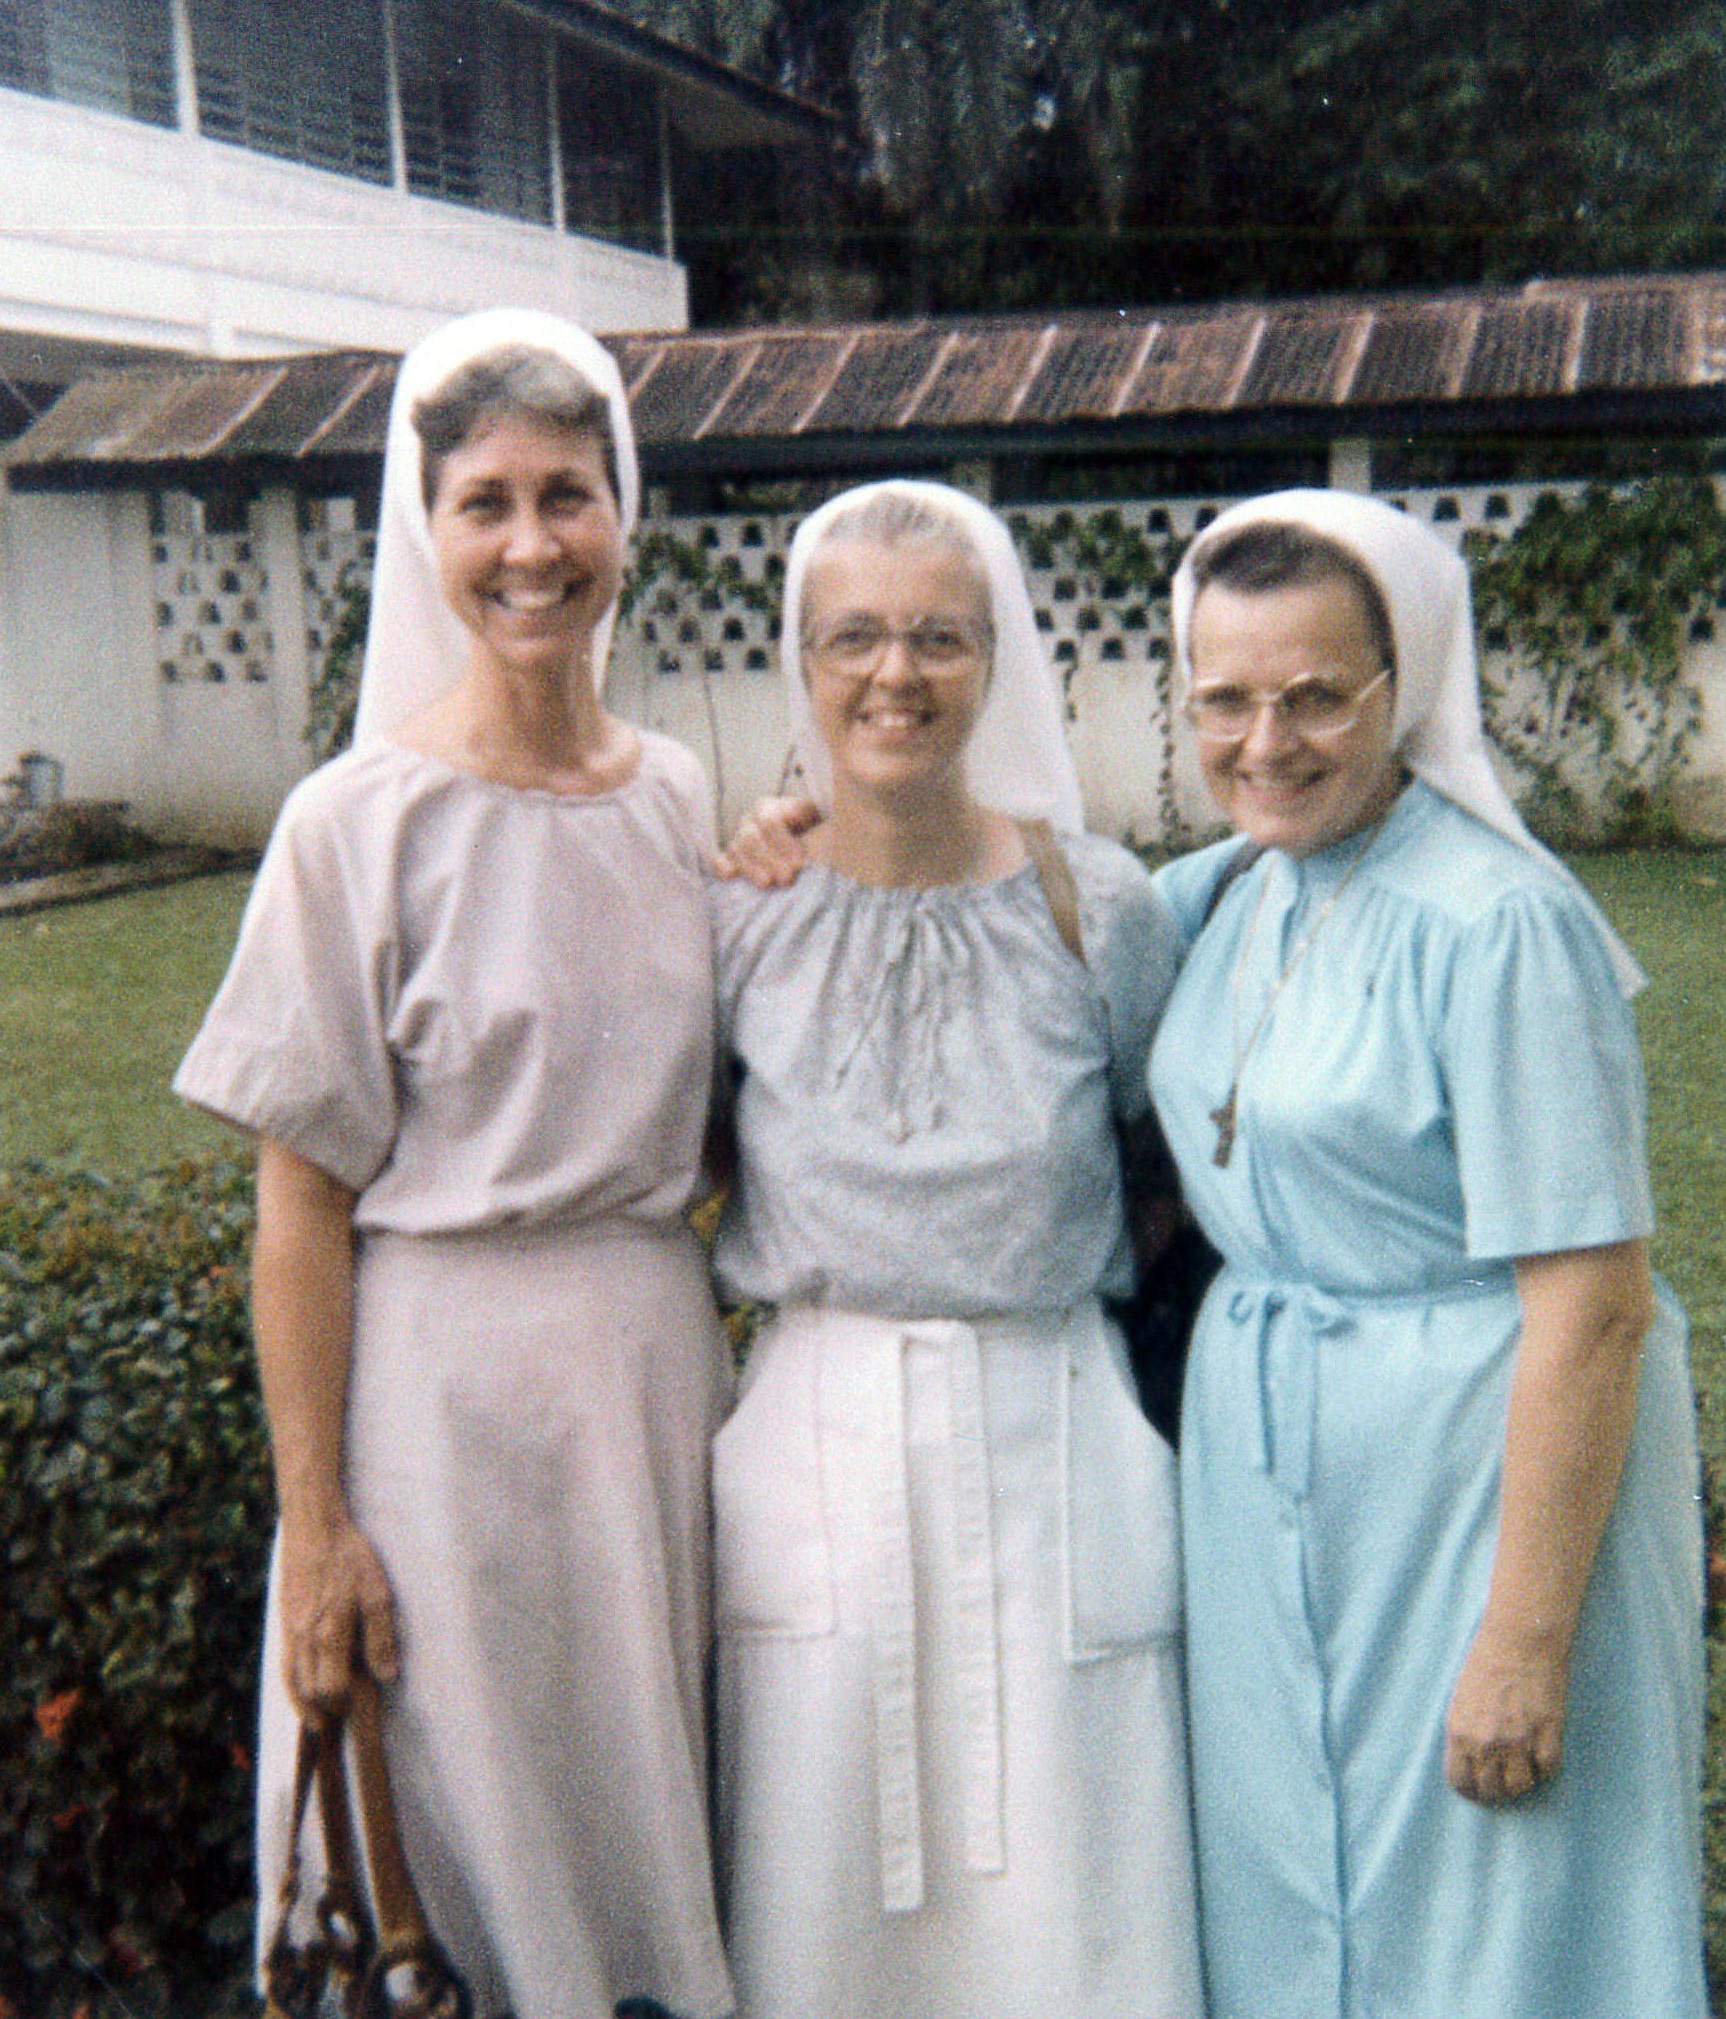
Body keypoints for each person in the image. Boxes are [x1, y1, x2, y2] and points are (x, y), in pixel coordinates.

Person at [174, 308, 734, 2019]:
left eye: (567, 497)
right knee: (461, 1859)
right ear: (429, 535)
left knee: (642, 1826)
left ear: (620, 522)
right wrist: (317, 1522)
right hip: (439, 1416)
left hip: (650, 1398)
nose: (530, 546)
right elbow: (298, 1200)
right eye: (485, 502)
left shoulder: (676, 796)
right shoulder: (352, 822)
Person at [1149, 488, 1705, 2018]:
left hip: (1480, 1488)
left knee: (1496, 1904)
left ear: (1407, 692)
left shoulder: (1499, 925)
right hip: (1269, 1499)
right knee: (1298, 1887)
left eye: (1318, 695)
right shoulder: (1223, 896)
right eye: (1225, 699)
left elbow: (1591, 1312)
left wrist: (1521, 1640)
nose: (1266, 741)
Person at [710, 480, 1204, 2019]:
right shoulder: (737, 914)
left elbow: (1163, 1158)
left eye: (938, 637)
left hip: (1048, 1432)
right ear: (798, 660)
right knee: (824, 1896)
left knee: (1074, 1904)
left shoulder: (1095, 905)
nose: (893, 676)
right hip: (818, 1444)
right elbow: (690, 1155)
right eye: (851, 637)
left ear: (994, 662)